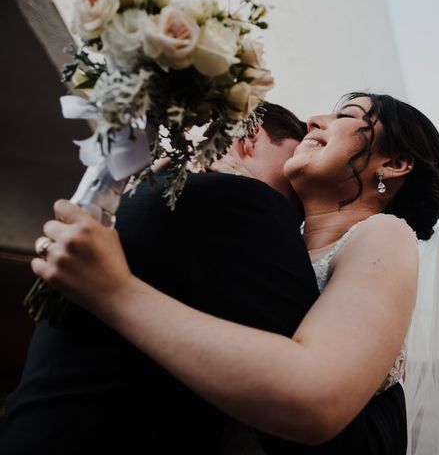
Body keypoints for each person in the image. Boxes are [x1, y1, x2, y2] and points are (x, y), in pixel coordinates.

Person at [20, 92, 439, 454]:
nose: (315, 121)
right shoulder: (275, 246)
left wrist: (113, 291)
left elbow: (316, 397)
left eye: (347, 115)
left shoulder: (384, 234)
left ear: (393, 165)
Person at [0, 102, 324, 454]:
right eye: (292, 160)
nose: (297, 195)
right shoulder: (248, 200)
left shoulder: (146, 194)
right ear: (249, 136)